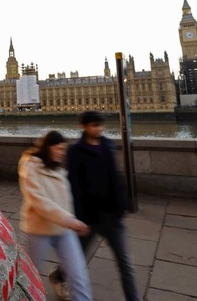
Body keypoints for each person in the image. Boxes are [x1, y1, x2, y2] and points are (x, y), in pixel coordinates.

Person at [54, 110, 139, 301]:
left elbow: (115, 178)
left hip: (112, 215)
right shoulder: (76, 151)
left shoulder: (107, 146)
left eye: (100, 125)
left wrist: (122, 203)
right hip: (90, 217)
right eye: (94, 125)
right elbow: (74, 186)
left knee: (125, 263)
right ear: (84, 127)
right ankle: (59, 275)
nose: (98, 128)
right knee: (77, 259)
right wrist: (78, 217)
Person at [18, 130, 93, 301]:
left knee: (78, 275)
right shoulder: (30, 165)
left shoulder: (58, 166)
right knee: (30, 276)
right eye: (58, 149)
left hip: (64, 230)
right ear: (47, 147)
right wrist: (70, 220)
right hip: (38, 231)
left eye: (63, 149)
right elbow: (38, 201)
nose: (62, 153)